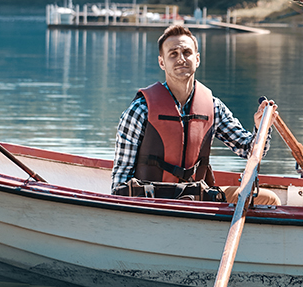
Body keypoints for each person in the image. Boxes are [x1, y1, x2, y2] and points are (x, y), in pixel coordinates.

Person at [111, 24, 281, 205]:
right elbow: (119, 182)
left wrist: (261, 126)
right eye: (173, 54)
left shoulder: (213, 107)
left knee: (269, 200)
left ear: (197, 59)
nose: (181, 59)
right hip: (151, 201)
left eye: (187, 52)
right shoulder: (140, 110)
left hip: (197, 199)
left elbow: (249, 150)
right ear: (162, 62)